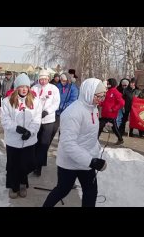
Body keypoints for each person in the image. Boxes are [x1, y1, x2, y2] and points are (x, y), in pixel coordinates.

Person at [42, 78, 107, 207]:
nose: (101, 99)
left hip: (86, 160)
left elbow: (89, 135)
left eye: (103, 96)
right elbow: (68, 144)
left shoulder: (93, 108)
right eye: (98, 96)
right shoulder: (73, 112)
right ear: (88, 93)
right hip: (70, 163)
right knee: (62, 190)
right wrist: (91, 161)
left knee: (91, 192)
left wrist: (95, 152)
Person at [0, 73, 42, 198]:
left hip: (29, 141)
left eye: (26, 86)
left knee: (26, 164)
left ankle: (23, 183)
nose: (24, 89)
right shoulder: (7, 101)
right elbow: (5, 120)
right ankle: (13, 187)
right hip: (13, 140)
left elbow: (36, 120)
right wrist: (16, 128)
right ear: (16, 87)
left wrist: (30, 132)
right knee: (13, 165)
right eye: (21, 86)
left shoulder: (36, 101)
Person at [31, 69, 60, 177]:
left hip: (48, 120)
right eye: (41, 79)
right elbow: (30, 102)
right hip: (36, 120)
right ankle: (34, 163)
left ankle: (39, 167)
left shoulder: (54, 89)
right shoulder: (34, 88)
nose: (42, 81)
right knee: (35, 143)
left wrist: (47, 111)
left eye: (45, 79)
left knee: (44, 144)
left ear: (48, 79)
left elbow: (56, 103)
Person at [98, 78, 125, 145]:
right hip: (105, 113)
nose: (107, 84)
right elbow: (105, 102)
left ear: (111, 84)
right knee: (101, 126)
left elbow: (122, 102)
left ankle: (120, 139)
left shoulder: (116, 92)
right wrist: (100, 103)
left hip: (111, 114)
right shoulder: (107, 92)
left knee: (111, 127)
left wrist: (113, 109)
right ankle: (120, 139)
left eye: (108, 83)